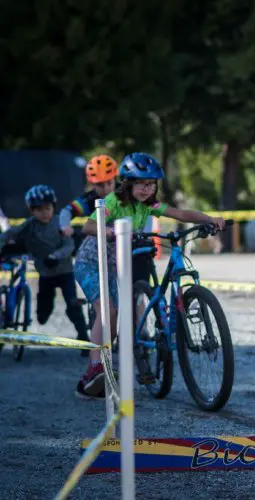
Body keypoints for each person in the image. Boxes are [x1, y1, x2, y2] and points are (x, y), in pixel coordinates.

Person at [72, 152, 225, 399]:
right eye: (142, 183)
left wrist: (210, 219)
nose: (147, 189)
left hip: (115, 266)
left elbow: (181, 214)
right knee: (108, 311)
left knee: (118, 315)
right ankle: (93, 369)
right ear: (128, 183)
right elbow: (88, 227)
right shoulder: (113, 202)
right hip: (91, 262)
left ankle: (106, 362)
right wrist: (111, 231)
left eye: (151, 184)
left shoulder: (148, 206)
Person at [0, 185, 90, 351]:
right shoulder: (30, 225)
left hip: (65, 272)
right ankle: (44, 312)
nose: (44, 213)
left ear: (53, 207)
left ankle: (83, 337)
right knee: (43, 313)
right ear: (31, 210)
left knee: (73, 305)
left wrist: (55, 256)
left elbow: (69, 245)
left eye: (47, 208)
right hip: (45, 275)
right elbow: (12, 232)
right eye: (39, 209)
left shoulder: (60, 223)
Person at [59, 154, 119, 239]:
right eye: (100, 185)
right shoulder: (90, 199)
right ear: (92, 184)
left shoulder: (124, 192)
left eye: (109, 183)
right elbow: (67, 211)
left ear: (115, 179)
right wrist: (65, 226)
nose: (106, 189)